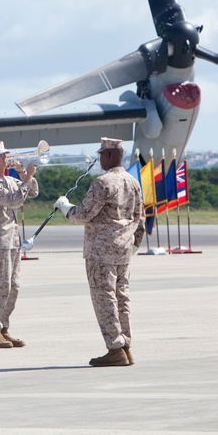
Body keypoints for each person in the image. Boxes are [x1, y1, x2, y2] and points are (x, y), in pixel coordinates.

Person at [53, 137, 144, 367]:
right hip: (123, 250)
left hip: (101, 251)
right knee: (122, 297)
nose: (101, 158)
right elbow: (140, 218)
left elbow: (84, 214)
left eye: (103, 154)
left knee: (105, 298)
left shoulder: (102, 183)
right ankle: (125, 345)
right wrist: (134, 244)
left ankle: (115, 347)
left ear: (110, 155)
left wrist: (65, 208)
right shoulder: (133, 182)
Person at [0, 140, 38, 348]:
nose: (6, 157)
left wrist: (24, 175)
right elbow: (13, 201)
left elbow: (32, 193)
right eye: (1, 155)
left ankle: (4, 328)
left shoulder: (10, 180)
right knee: (2, 285)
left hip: (13, 238)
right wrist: (28, 177)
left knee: (14, 286)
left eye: (6, 154)